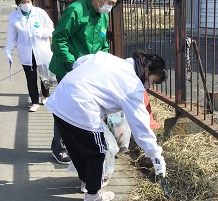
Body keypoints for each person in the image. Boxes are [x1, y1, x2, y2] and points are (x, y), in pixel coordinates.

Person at [45, 51, 168, 201]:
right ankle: (93, 195)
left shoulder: (110, 59)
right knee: (97, 152)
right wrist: (155, 154)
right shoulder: (132, 85)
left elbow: (79, 62)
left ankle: (87, 182)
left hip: (60, 100)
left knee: (76, 147)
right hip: (82, 108)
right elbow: (141, 126)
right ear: (147, 70)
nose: (149, 85)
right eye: (152, 81)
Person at [49, 0, 120, 164]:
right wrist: (71, 64)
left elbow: (103, 44)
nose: (111, 7)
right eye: (110, 2)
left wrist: (104, 63)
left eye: (114, 4)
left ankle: (80, 145)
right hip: (68, 67)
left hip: (88, 71)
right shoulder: (76, 11)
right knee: (65, 107)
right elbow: (58, 38)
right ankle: (59, 146)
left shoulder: (103, 15)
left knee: (85, 108)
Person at [4, 0, 54, 112]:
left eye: (28, 1)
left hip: (41, 49)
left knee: (44, 75)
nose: (26, 4)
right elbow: (11, 36)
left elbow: (51, 29)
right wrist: (8, 50)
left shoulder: (40, 13)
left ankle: (46, 95)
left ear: (32, 0)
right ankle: (35, 102)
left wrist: (42, 32)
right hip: (26, 51)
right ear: (18, 3)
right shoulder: (14, 17)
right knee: (30, 78)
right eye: (23, 2)